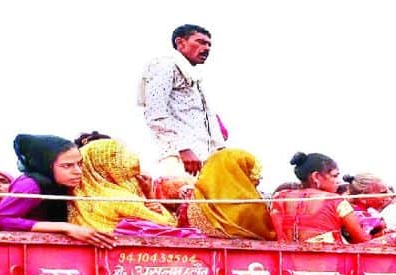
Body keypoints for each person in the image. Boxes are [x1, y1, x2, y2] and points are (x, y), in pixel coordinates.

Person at [0, 134, 115, 248]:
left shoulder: (64, 182)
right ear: (46, 165)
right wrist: (66, 228)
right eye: (67, 166)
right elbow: (2, 219)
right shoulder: (30, 185)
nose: (78, 171)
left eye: (79, 164)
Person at [139, 24, 224, 176]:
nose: (207, 48)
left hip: (203, 157)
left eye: (209, 44)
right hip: (178, 158)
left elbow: (206, 119)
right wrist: (183, 148)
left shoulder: (193, 76)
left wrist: (221, 151)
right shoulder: (165, 65)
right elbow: (155, 113)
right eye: (200, 42)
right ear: (180, 43)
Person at [69, 139, 179, 233]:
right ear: (105, 164)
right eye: (116, 156)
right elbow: (169, 224)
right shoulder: (121, 199)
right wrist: (149, 194)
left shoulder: (76, 197)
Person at [270, 152, 369, 244]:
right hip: (327, 261)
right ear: (316, 177)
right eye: (334, 176)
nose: (338, 182)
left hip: (285, 259)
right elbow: (362, 240)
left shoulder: (280, 197)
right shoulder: (335, 201)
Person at [183, 149, 275, 240]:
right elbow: (269, 234)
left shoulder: (193, 200)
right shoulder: (250, 205)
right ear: (237, 170)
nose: (259, 178)